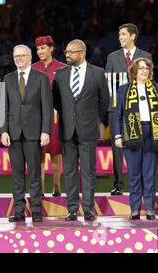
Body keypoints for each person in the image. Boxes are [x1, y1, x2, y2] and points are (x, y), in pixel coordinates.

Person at [52, 39, 109, 221]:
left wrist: (90, 120)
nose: (67, 54)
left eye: (71, 52)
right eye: (66, 51)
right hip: (67, 130)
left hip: (88, 131)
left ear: (82, 53)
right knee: (69, 171)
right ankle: (72, 209)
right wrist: (69, 117)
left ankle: (89, 208)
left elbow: (104, 102)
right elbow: (57, 102)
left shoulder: (98, 73)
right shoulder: (60, 75)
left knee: (88, 171)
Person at [1, 45, 53, 223]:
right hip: (13, 134)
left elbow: (47, 107)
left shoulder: (41, 78)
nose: (19, 58)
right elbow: (4, 108)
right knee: (17, 175)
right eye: (16, 56)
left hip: (34, 133)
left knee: (34, 174)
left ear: (30, 58)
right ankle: (19, 211)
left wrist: (45, 130)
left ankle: (37, 210)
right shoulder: (7, 79)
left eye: (22, 55)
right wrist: (3, 131)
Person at [114, 58, 158, 220]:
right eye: (141, 68)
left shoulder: (157, 88)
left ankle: (150, 208)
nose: (145, 71)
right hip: (132, 133)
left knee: (149, 174)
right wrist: (118, 135)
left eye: (147, 68)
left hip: (152, 133)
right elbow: (118, 115)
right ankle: (135, 209)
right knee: (134, 174)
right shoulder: (124, 90)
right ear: (134, 72)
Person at [105, 23, 153, 196]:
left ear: (133, 36)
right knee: (116, 146)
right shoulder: (112, 57)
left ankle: (140, 184)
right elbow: (107, 83)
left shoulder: (145, 56)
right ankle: (118, 184)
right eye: (119, 35)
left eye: (123, 34)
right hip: (116, 107)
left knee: (139, 145)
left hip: (139, 108)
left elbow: (149, 81)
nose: (120, 38)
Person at [32, 35, 67, 197]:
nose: (40, 51)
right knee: (37, 152)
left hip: (56, 116)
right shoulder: (32, 68)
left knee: (55, 151)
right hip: (36, 116)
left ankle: (56, 185)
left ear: (51, 48)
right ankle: (40, 188)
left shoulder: (63, 68)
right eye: (38, 48)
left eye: (43, 48)